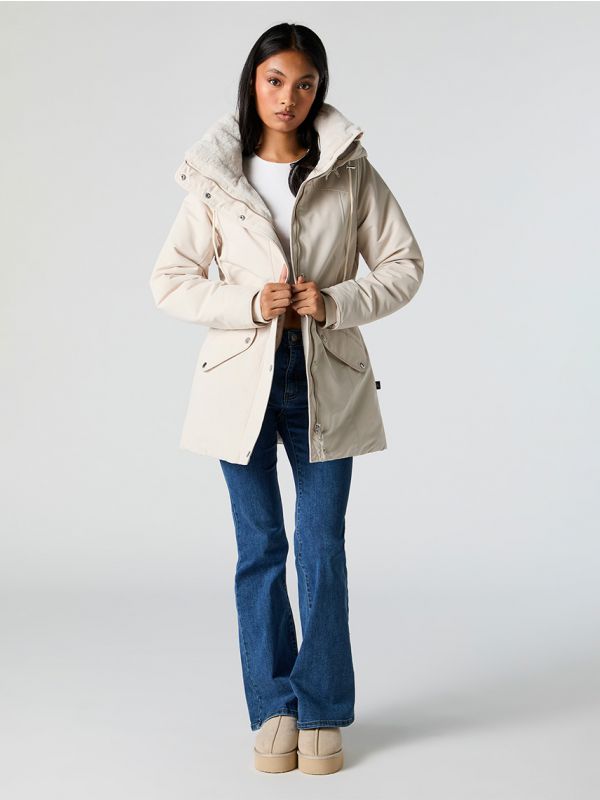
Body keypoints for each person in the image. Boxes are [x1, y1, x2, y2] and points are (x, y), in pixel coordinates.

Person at [149, 22, 424, 776]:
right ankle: (274, 707)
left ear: (318, 90)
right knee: (260, 548)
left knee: (321, 546)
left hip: (323, 378)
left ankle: (323, 710)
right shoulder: (217, 173)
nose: (288, 97)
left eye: (305, 84)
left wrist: (333, 301)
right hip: (240, 382)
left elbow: (404, 264)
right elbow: (169, 280)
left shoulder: (349, 170)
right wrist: (248, 302)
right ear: (253, 82)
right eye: (275, 80)